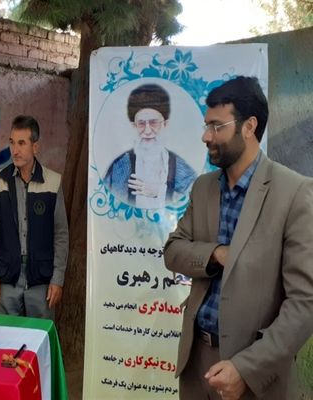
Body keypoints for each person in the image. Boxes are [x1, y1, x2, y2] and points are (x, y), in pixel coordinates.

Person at [164, 76, 313, 399]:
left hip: (254, 372)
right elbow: (173, 251)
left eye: (217, 126)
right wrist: (216, 253)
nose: (206, 136)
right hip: (195, 363)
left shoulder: (293, 192)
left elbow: (305, 303)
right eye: (206, 125)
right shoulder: (203, 188)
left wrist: (246, 368)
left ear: (249, 127)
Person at [0, 115, 69, 319]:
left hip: (41, 279)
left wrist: (57, 279)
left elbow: (61, 234)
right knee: (8, 336)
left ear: (35, 147)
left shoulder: (52, 182)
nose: (15, 150)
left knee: (39, 335)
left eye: (22, 143)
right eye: (12, 142)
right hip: (7, 279)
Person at [104, 83, 196, 208]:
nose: (147, 131)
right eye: (141, 123)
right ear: (134, 126)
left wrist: (159, 191)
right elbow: (112, 203)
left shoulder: (178, 165)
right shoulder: (121, 165)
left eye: (154, 123)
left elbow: (193, 197)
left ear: (165, 124)